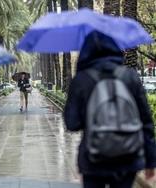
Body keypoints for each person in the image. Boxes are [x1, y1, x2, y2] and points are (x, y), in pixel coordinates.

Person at [64, 31, 156, 188]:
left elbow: (72, 123)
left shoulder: (81, 80)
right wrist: (151, 160)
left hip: (93, 159)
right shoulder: (130, 77)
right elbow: (146, 122)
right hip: (128, 158)